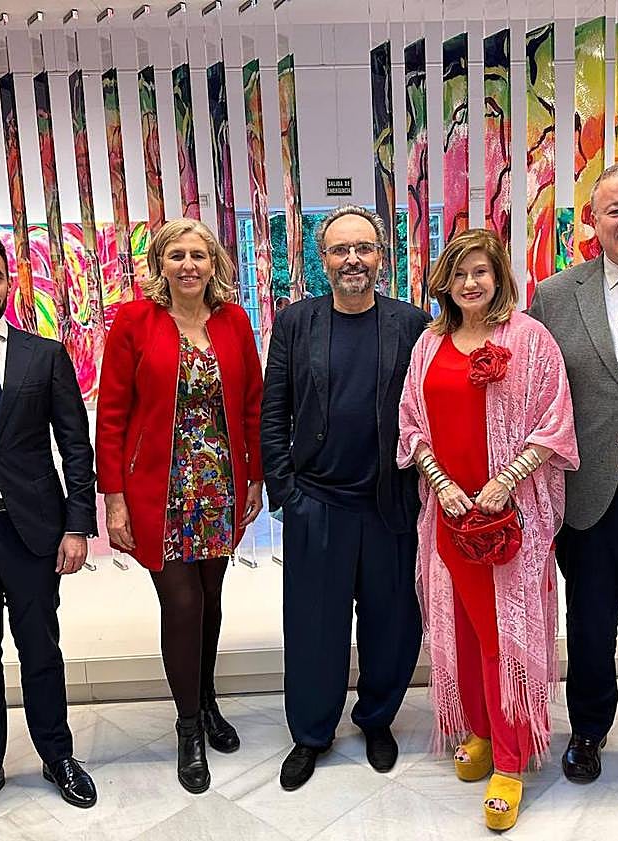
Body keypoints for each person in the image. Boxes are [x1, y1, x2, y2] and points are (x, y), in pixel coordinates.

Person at [398, 228, 578, 831]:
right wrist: (441, 483)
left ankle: (510, 758)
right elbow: (411, 426)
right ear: (444, 282)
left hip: (509, 517)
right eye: (458, 273)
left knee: (506, 637)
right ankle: (477, 729)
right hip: (450, 515)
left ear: (499, 276)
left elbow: (555, 422)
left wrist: (507, 480)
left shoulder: (529, 338)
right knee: (462, 631)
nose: (470, 282)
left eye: (480, 271)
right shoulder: (430, 342)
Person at [261, 204, 429, 791]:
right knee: (314, 627)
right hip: (318, 503)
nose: (352, 259)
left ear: (381, 256)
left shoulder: (411, 324)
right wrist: (286, 490)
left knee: (393, 624)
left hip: (390, 506)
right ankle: (312, 733)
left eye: (364, 248)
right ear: (323, 259)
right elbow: (274, 409)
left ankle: (376, 719)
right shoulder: (295, 322)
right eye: (340, 249)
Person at [96, 218, 263, 795]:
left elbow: (252, 405)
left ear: (214, 263)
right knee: (183, 603)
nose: (188, 265)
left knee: (211, 602)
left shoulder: (234, 321)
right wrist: (113, 499)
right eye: (177, 256)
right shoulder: (134, 321)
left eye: (198, 255)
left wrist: (255, 478)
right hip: (158, 489)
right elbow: (112, 415)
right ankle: (188, 726)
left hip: (217, 484)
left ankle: (207, 700)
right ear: (160, 265)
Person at [528, 160, 618, 783]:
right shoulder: (556, 296)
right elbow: (535, 397)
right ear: (593, 220)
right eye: (615, 209)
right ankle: (587, 730)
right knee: (589, 625)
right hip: (590, 494)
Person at [0, 234, 98, 838]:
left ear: (10, 283)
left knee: (41, 651)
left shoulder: (44, 356)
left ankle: (56, 755)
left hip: (33, 532)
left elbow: (75, 446)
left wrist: (77, 525)